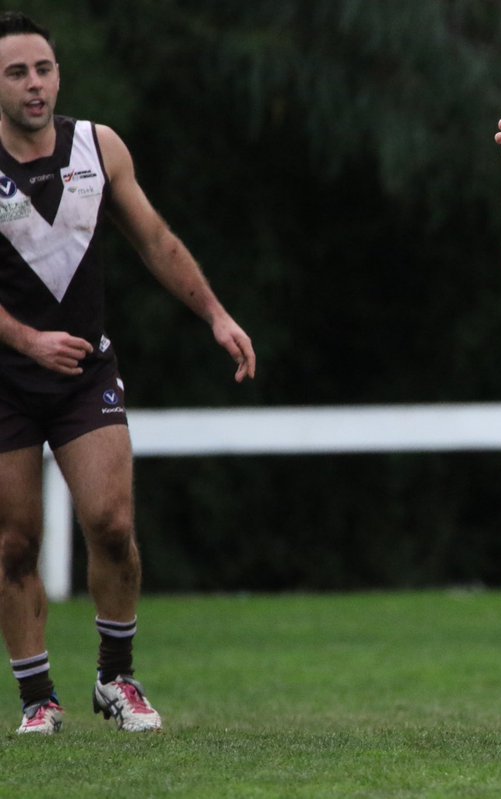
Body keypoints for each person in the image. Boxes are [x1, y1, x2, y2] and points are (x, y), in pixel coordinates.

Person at [0, 12, 256, 735]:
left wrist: (215, 315)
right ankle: (36, 698)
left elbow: (156, 240)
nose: (34, 84)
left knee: (112, 524)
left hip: (85, 373)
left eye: (43, 68)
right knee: (15, 541)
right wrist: (28, 342)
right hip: (7, 381)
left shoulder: (97, 145)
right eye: (16, 72)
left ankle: (117, 679)